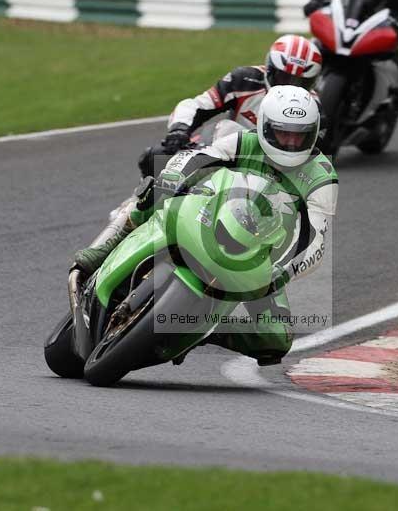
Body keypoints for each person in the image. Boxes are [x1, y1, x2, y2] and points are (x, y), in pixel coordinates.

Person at [70, 86, 338, 366]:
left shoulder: (321, 176)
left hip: (261, 257)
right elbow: (195, 158)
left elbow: (316, 239)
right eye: (283, 133)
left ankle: (202, 329)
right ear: (265, 127)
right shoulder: (243, 142)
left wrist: (284, 271)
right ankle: (105, 249)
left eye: (299, 136)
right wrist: (173, 177)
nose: (291, 143)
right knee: (154, 190)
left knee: (276, 339)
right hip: (209, 212)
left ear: (314, 133)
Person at [138, 34, 325, 178]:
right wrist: (179, 130)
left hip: (273, 170)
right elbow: (197, 106)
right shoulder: (244, 80)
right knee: (155, 157)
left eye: (300, 82)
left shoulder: (314, 107)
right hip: (222, 151)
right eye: (285, 78)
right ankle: (136, 212)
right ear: (270, 69)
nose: (290, 87)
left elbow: (315, 154)